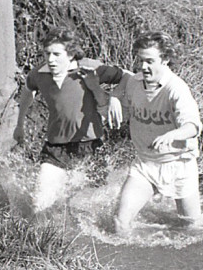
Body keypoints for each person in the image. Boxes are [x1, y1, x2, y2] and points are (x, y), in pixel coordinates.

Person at [14, 28, 123, 212]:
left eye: (57, 54)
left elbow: (125, 77)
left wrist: (115, 98)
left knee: (92, 207)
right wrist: (19, 124)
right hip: (55, 148)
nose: (51, 59)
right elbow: (27, 90)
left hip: (89, 145)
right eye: (47, 54)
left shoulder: (89, 68)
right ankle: (40, 237)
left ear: (71, 54)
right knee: (39, 203)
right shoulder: (39, 73)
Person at [109, 31, 202, 232]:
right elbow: (124, 84)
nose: (144, 67)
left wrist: (172, 135)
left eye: (150, 61)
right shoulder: (135, 82)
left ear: (165, 59)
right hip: (146, 164)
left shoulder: (176, 89)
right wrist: (114, 98)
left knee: (192, 228)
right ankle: (123, 262)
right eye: (141, 60)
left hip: (179, 164)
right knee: (120, 221)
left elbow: (192, 126)